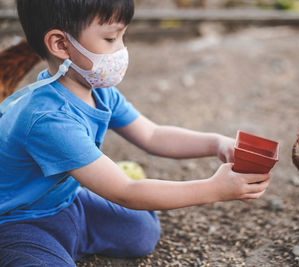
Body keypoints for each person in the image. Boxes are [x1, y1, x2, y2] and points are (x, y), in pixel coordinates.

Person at [0, 0, 271, 266]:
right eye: (110, 38)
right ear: (61, 44)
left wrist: (216, 144)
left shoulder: (98, 90)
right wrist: (214, 189)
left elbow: (153, 135)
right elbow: (125, 191)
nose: (122, 49)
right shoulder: (48, 119)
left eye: (122, 36)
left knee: (142, 232)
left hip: (66, 201)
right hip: (19, 221)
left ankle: (74, 226)